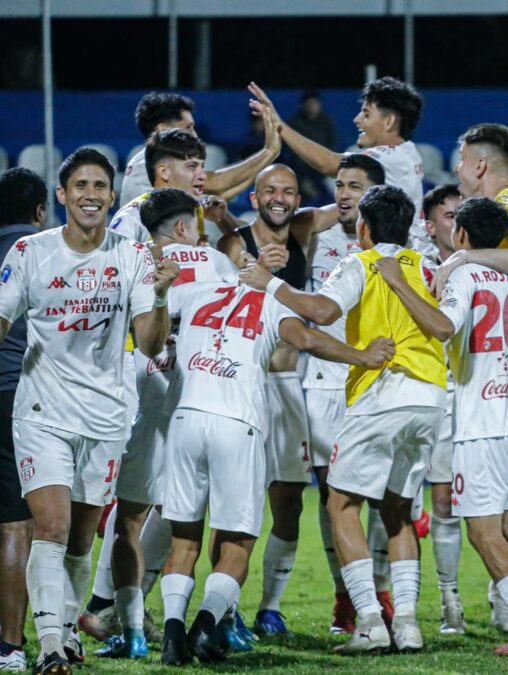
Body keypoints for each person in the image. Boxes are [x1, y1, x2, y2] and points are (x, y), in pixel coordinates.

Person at [240, 184, 445, 654]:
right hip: (430, 397)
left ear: (365, 228)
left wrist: (267, 282)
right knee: (398, 512)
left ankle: (370, 621)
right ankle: (409, 625)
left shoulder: (362, 262)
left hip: (383, 395)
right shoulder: (424, 266)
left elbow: (323, 310)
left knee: (340, 505)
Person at [0, 148, 180, 673]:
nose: (90, 195)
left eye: (100, 186)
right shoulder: (31, 252)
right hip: (41, 410)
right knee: (51, 528)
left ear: (111, 195)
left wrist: (162, 297)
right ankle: (51, 642)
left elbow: (149, 345)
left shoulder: (134, 256)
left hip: (104, 416)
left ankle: (69, 630)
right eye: (80, 185)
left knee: (80, 538)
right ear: (61, 196)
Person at [157, 268, 393, 666]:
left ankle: (172, 633)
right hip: (237, 423)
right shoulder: (271, 299)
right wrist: (362, 356)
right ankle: (205, 624)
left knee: (184, 542)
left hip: (185, 419)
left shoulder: (195, 291)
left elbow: (153, 322)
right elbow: (305, 339)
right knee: (236, 544)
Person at [80, 127, 245, 645]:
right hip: (166, 381)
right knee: (159, 507)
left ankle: (117, 609)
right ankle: (108, 605)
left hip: (156, 378)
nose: (202, 173)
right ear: (161, 172)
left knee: (147, 505)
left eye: (202, 163)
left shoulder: (156, 233)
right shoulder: (146, 225)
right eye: (191, 164)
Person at [382, 196, 508, 655]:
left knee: (481, 530)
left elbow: (443, 326)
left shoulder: (465, 273)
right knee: (502, 526)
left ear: (462, 235)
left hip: (481, 422)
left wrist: (398, 284)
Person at [440, 124, 508, 593]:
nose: (457, 170)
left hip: (502, 379)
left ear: (480, 164)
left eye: (461, 160)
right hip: (495, 375)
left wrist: (459, 260)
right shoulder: (491, 213)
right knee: (504, 511)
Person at [217, 164, 314, 636]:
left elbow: (355, 192)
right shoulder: (232, 242)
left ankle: (270, 607)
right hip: (245, 387)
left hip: (288, 390)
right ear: (253, 198)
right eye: (270, 190)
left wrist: (282, 141)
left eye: (289, 191)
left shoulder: (305, 229)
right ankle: (225, 607)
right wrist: (257, 269)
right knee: (237, 503)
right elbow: (234, 280)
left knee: (289, 503)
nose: (280, 197)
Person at [300, 154, 386, 636]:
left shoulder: (399, 244)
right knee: (334, 497)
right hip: (323, 385)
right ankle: (346, 599)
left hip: (377, 381)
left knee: (383, 499)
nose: (345, 193)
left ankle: (382, 592)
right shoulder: (315, 237)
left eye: (356, 185)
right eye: (340, 184)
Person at [247, 77, 431, 257]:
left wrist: (278, 124)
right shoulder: (408, 151)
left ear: (389, 121)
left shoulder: (389, 158)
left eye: (366, 114)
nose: (357, 119)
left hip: (400, 261)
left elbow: (328, 163)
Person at [0, 168, 46, 672]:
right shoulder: (43, 253)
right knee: (18, 523)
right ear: (40, 211)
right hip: (18, 393)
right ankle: (11, 644)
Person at [418, 184, 469, 635]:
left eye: (461, 214)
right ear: (429, 225)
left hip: (459, 395)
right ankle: (389, 603)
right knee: (391, 506)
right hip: (413, 389)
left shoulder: (482, 265)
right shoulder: (415, 266)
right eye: (449, 215)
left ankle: (453, 601)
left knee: (448, 506)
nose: (457, 223)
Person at [121, 91, 282, 206]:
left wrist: (267, 159)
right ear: (162, 130)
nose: (195, 135)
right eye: (188, 127)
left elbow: (220, 194)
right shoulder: (149, 161)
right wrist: (268, 151)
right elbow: (217, 183)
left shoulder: (152, 161)